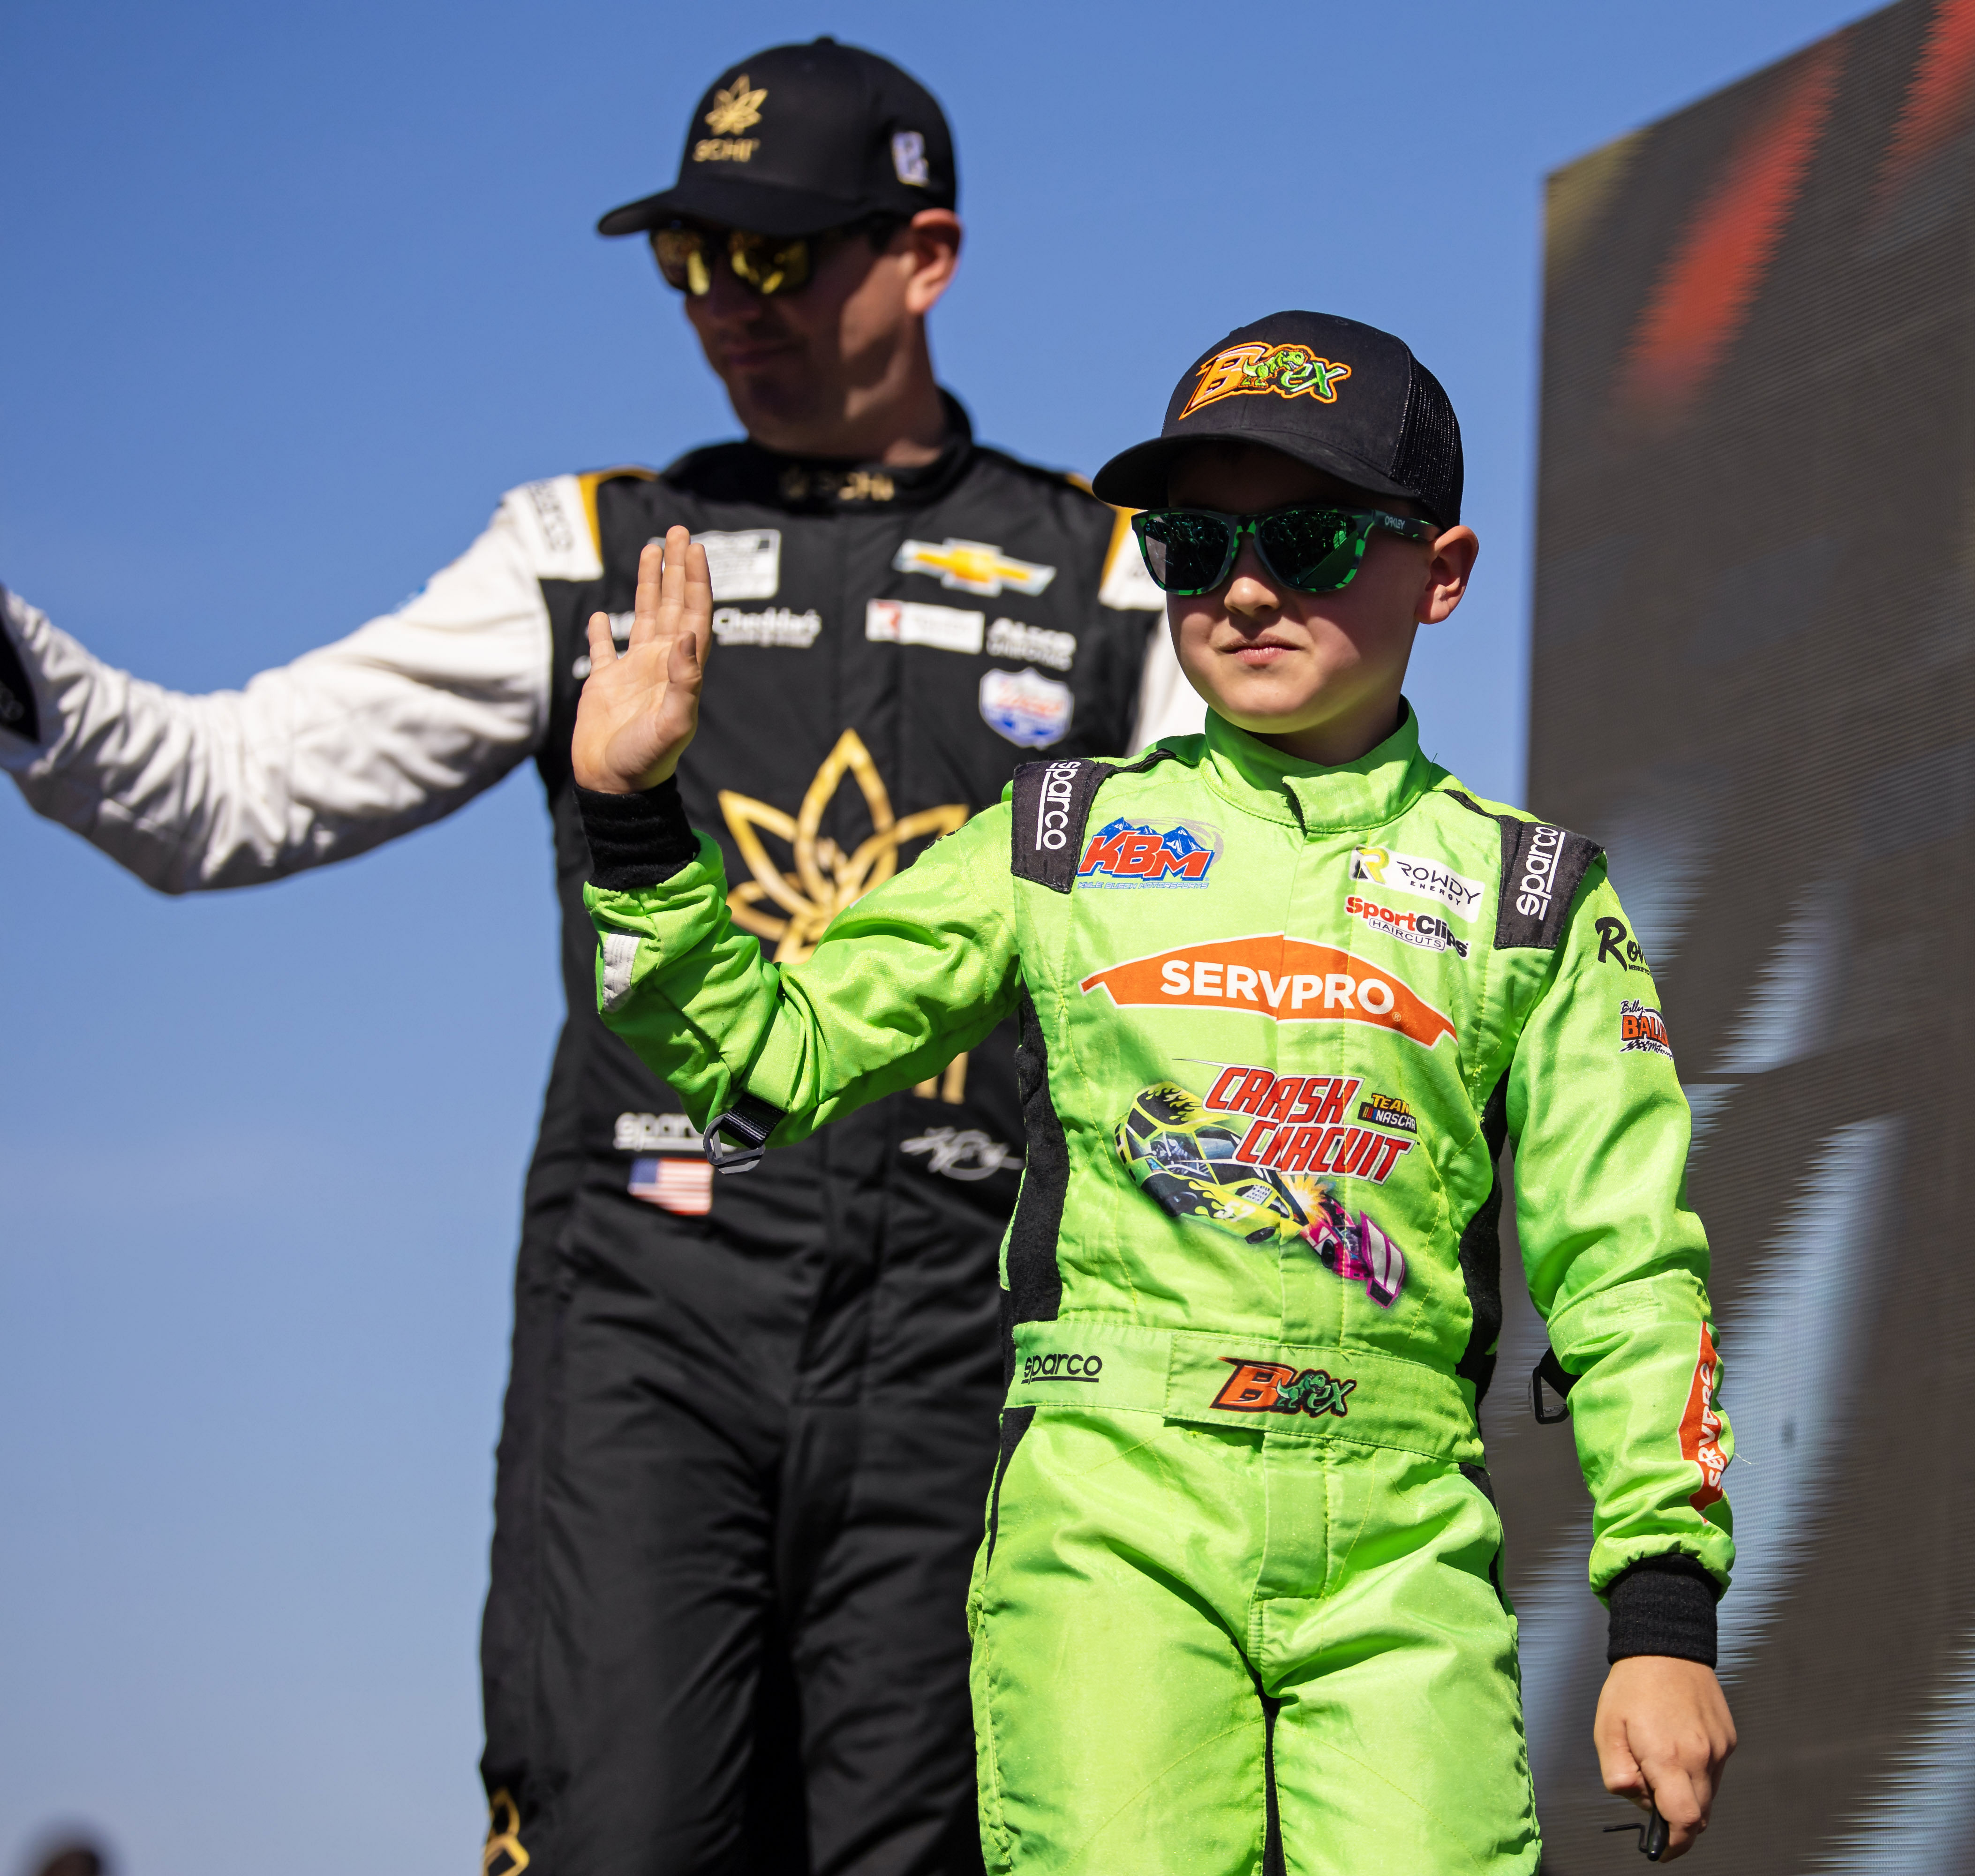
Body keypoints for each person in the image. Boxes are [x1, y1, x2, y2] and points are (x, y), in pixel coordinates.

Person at [0, 40, 1196, 1876]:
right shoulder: (581, 553)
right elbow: (216, 796)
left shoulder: (1113, 582)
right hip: (653, 1334)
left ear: (927, 253)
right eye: (689, 259)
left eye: (776, 258)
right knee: (620, 1838)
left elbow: (1264, 952)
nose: (728, 304)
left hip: (972, 1356)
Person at [571, 311, 1740, 1871]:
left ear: (1441, 574)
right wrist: (636, 822)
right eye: (1195, 545)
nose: (1247, 588)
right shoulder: (1057, 831)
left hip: (1405, 1536)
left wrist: (1662, 1614)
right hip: (1111, 1512)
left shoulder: (1529, 891)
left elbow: (1630, 1269)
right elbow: (764, 1056)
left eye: (1312, 538)